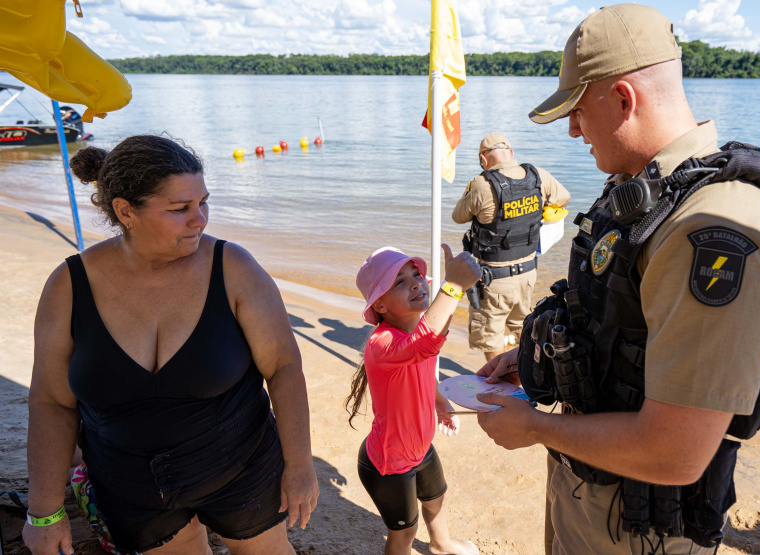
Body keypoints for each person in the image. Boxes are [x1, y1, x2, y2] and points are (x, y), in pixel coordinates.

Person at [474, 4, 760, 555]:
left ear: (624, 99)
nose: (573, 129)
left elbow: (676, 450)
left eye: (579, 110)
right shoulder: (647, 190)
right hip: (587, 487)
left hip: (634, 530)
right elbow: (615, 319)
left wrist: (537, 428)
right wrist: (540, 360)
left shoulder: (714, 226)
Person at [24, 135, 319, 555]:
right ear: (126, 211)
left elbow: (284, 366)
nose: (200, 219)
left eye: (203, 202)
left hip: (241, 466)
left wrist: (300, 465)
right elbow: (52, 401)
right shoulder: (68, 286)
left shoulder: (233, 268)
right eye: (180, 209)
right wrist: (44, 512)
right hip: (131, 485)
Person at [346, 245, 481, 555]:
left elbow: (426, 358)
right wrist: (453, 286)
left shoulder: (414, 336)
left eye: (417, 274)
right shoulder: (383, 343)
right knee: (404, 534)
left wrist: (439, 402)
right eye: (400, 281)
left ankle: (442, 544)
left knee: (437, 499)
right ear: (379, 305)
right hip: (389, 463)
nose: (417, 283)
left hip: (420, 446)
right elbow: (427, 342)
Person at [452, 133, 570, 362]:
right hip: (528, 272)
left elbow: (458, 216)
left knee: (490, 335)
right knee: (523, 327)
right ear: (511, 153)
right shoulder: (539, 176)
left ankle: (502, 384)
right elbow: (563, 198)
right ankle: (529, 376)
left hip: (494, 279)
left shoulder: (482, 184)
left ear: (484, 159)